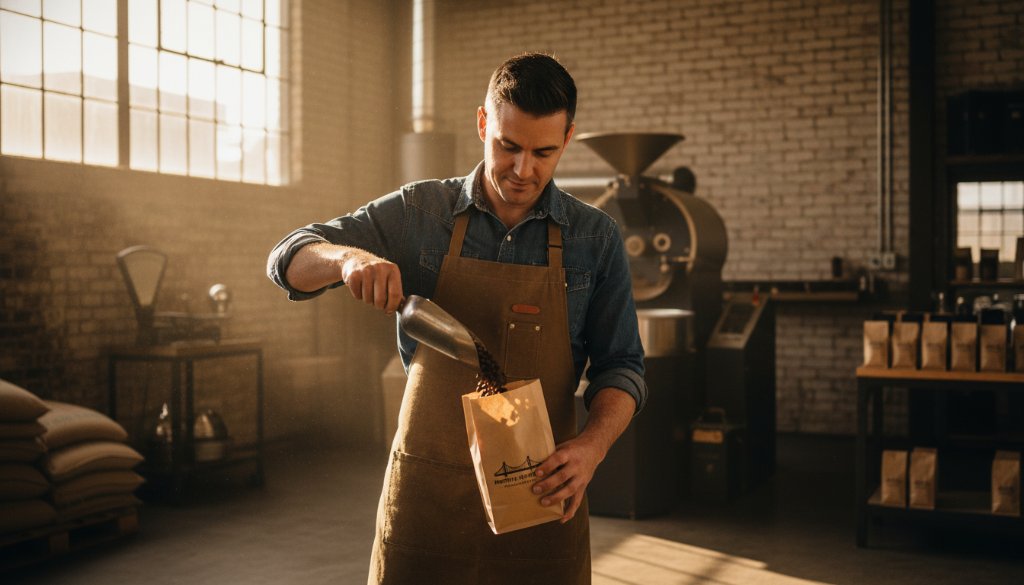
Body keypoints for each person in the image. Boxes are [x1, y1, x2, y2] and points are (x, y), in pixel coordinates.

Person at [267, 52, 646, 585]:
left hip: (538, 493)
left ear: (567, 138)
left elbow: (622, 366)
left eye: (543, 152)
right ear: (483, 123)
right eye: (508, 146)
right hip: (428, 493)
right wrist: (348, 259)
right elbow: (287, 259)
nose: (523, 170)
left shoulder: (595, 239)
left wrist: (592, 447)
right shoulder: (420, 213)